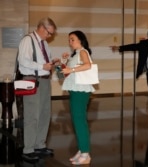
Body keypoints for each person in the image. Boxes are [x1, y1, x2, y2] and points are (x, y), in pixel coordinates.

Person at [17, 17, 58, 162]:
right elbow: (23, 61)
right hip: (32, 80)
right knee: (32, 116)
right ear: (42, 28)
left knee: (45, 114)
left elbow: (44, 62)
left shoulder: (44, 43)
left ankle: (39, 145)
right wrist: (42, 67)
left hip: (45, 81)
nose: (50, 36)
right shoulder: (27, 40)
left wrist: (52, 63)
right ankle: (28, 149)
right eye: (49, 33)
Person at [61, 30, 94, 165]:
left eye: (72, 39)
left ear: (81, 40)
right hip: (75, 90)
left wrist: (71, 69)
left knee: (80, 121)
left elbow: (88, 65)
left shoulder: (83, 52)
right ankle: (82, 150)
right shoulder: (75, 54)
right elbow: (65, 74)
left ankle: (86, 154)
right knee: (77, 120)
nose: (70, 42)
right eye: (69, 40)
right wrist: (64, 62)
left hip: (81, 91)